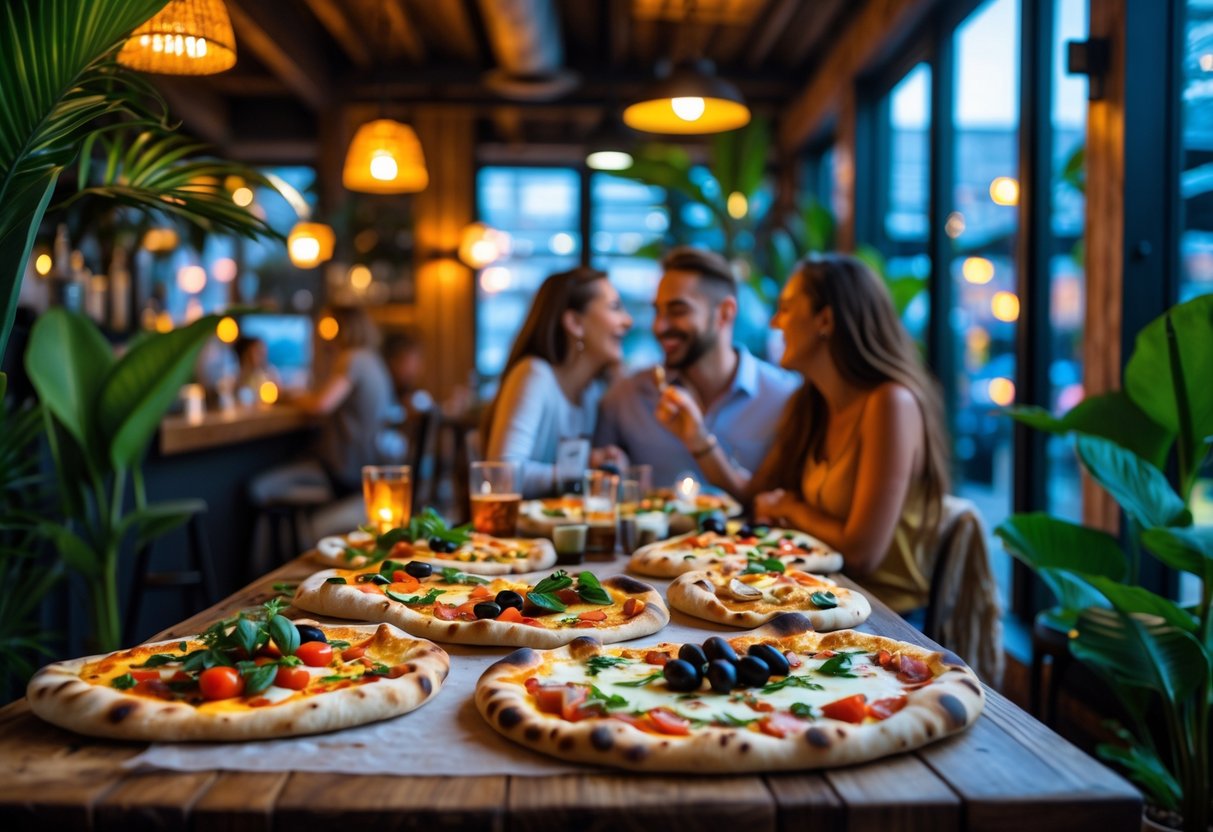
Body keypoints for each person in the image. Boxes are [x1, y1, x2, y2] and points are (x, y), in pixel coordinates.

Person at [655, 254, 950, 613]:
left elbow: (862, 554)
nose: (776, 322)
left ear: (825, 319)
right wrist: (697, 437)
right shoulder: (811, 402)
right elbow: (755, 496)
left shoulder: (890, 404)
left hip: (884, 613)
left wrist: (791, 508)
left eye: (787, 309)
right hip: (815, 595)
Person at [594, 246, 799, 490]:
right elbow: (599, 494)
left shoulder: (785, 398)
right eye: (657, 311)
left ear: (725, 313)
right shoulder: (626, 398)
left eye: (678, 311)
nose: (660, 326)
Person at [483, 267, 633, 498]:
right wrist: (582, 472)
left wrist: (597, 461)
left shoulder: (590, 393)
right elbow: (503, 476)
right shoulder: (534, 374)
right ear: (574, 322)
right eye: (615, 308)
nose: (628, 320)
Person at [286, 305, 395, 497]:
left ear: (343, 327)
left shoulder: (352, 359)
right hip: (369, 463)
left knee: (264, 483)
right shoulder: (372, 358)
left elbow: (321, 405)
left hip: (348, 470)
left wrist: (287, 397)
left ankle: (313, 524)